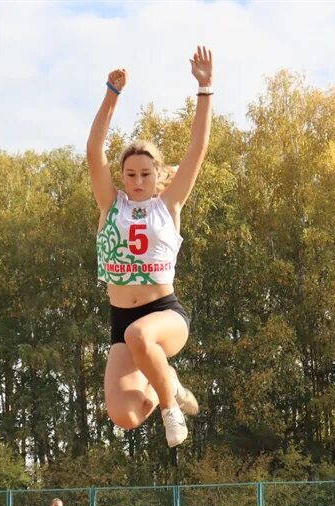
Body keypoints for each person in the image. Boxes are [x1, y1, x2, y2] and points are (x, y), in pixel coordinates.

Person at [86, 46, 213, 447]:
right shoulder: (111, 205)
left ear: (157, 175)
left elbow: (197, 149)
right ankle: (170, 383)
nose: (137, 180)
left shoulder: (168, 205)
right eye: (130, 174)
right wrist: (112, 93)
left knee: (143, 335)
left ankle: (170, 410)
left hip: (165, 315)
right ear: (122, 176)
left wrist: (205, 88)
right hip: (121, 323)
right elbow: (93, 152)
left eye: (145, 173)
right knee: (122, 416)